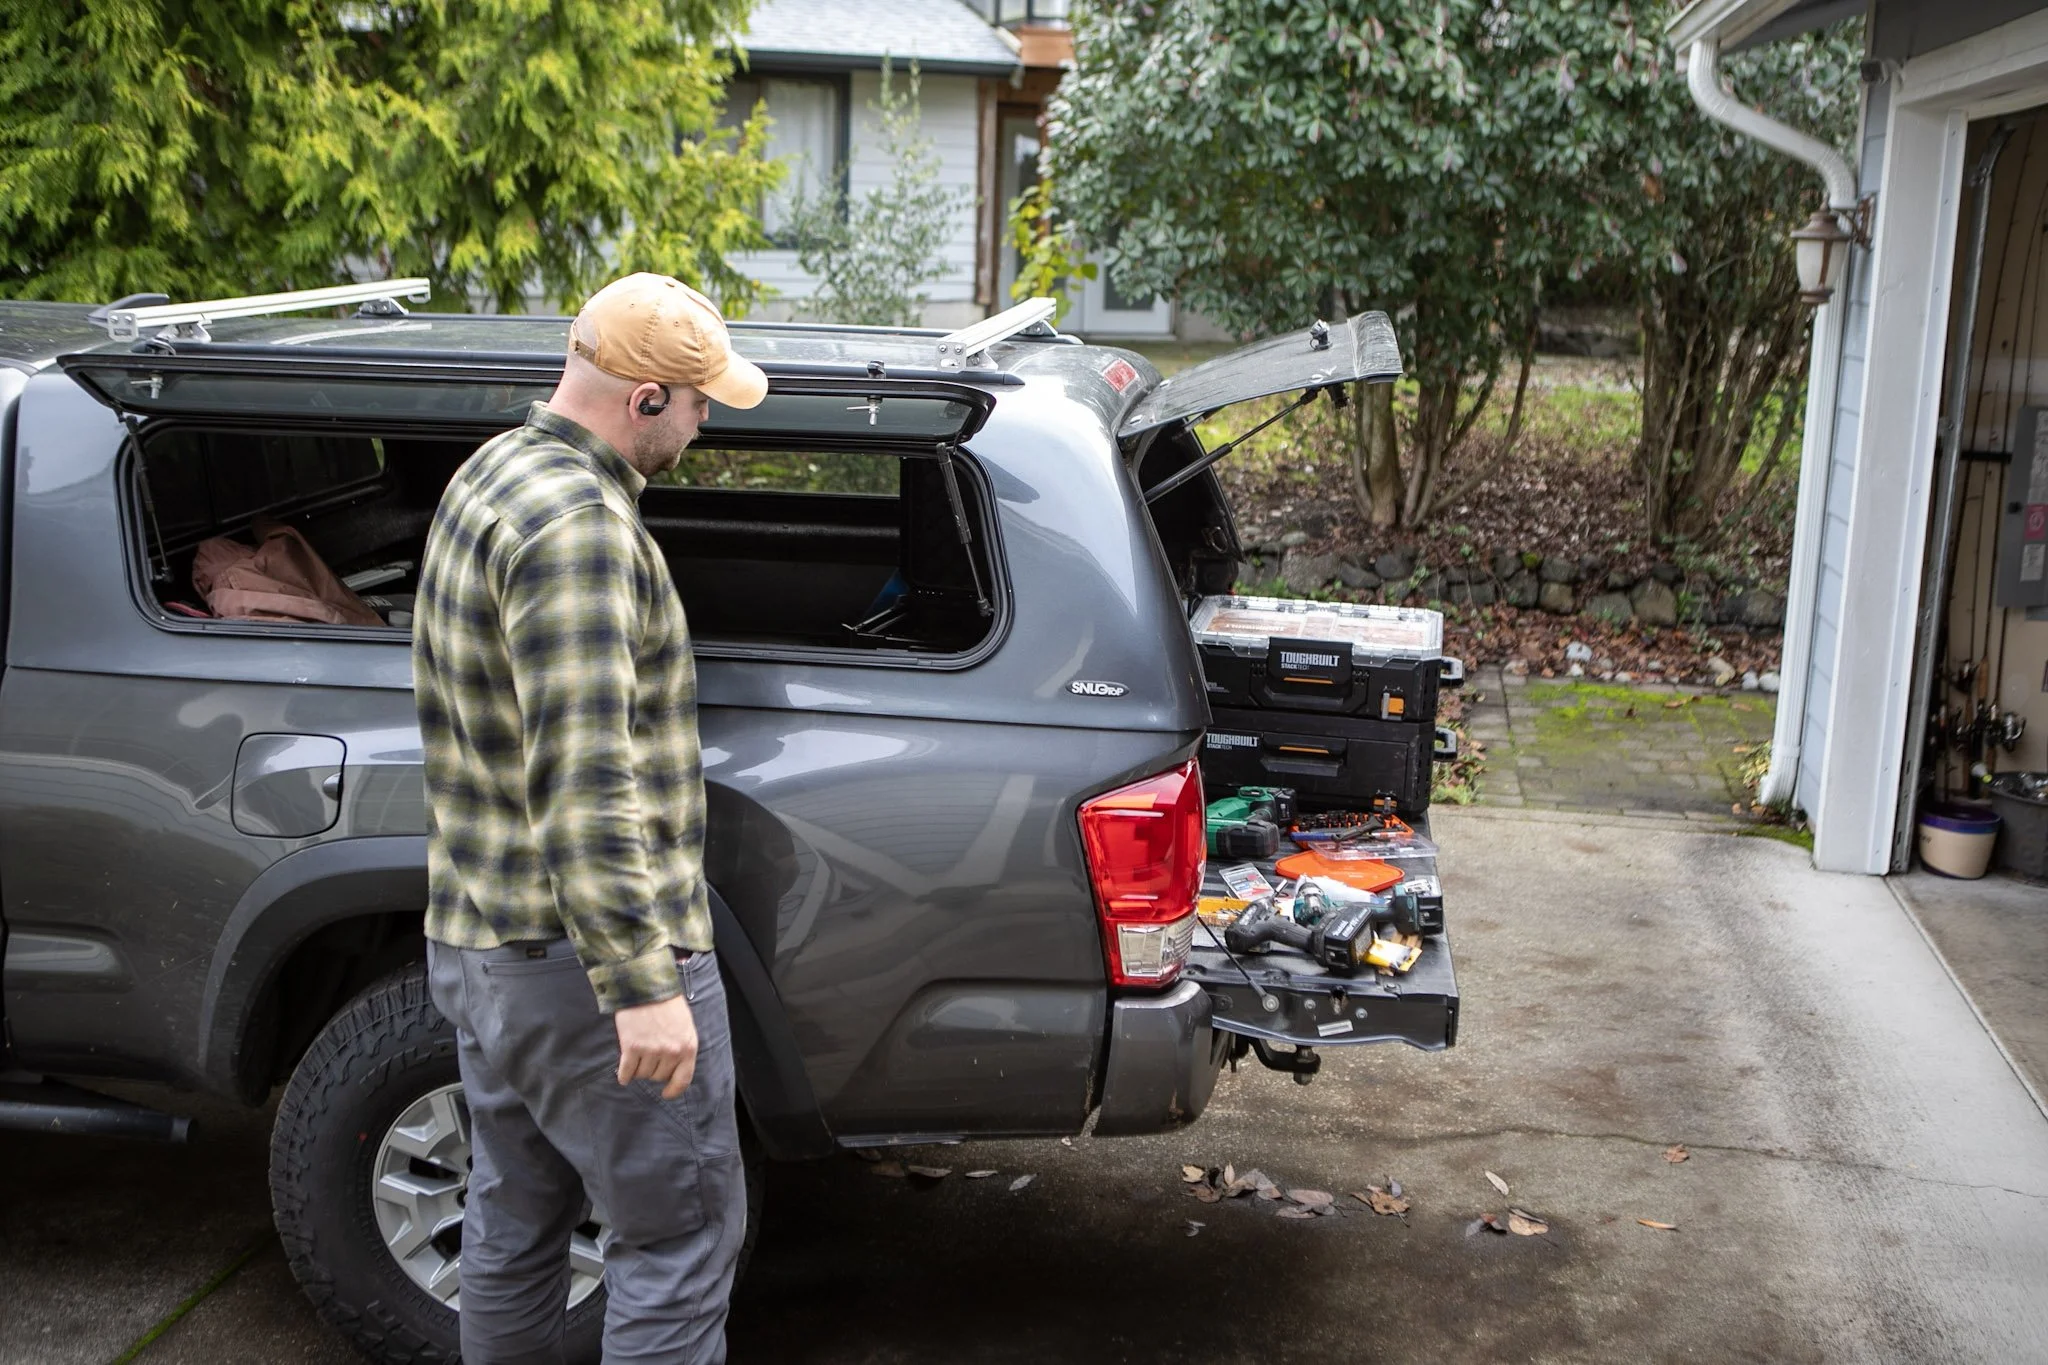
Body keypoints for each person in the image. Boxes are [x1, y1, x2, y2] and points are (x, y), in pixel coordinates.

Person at [413, 272, 768, 1364]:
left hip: (486, 949)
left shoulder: (493, 471)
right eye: (698, 404)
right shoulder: (580, 530)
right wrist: (643, 986)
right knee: (677, 1241)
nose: (702, 426)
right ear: (645, 396)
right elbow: (585, 779)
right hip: (585, 972)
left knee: (514, 1217)